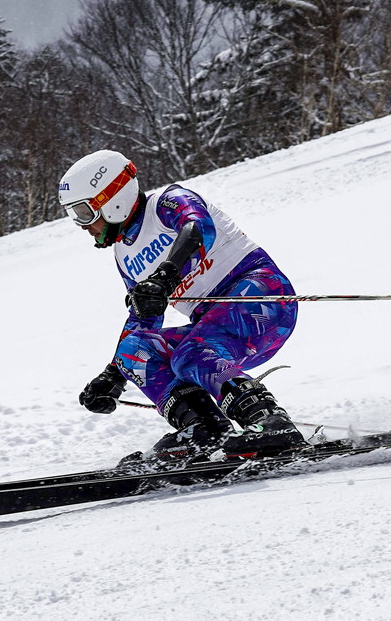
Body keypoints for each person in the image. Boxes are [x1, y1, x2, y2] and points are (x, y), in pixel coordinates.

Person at [58, 149, 305, 462]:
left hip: (262, 296)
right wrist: (114, 376)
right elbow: (143, 316)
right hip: (214, 326)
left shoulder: (168, 202)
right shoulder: (124, 255)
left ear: (112, 197)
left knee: (192, 354)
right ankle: (203, 430)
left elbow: (198, 228)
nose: (82, 225)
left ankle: (271, 422)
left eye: (83, 212)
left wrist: (166, 275)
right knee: (134, 350)